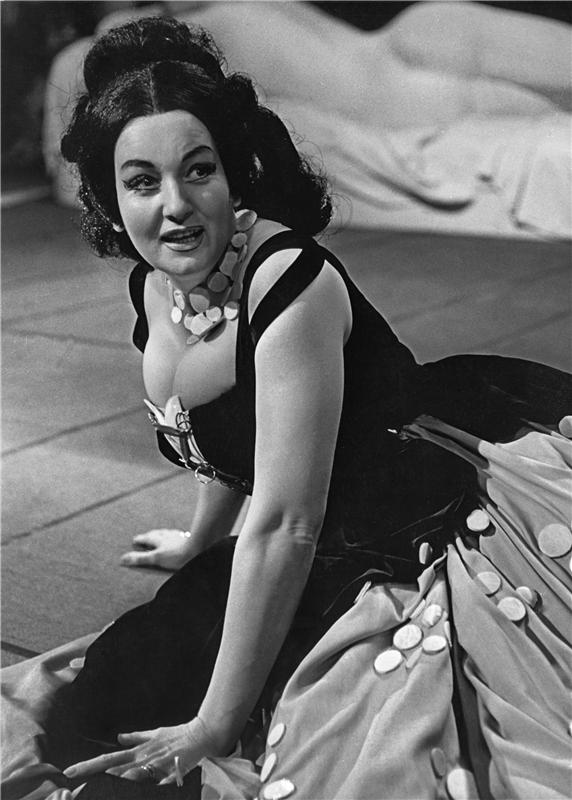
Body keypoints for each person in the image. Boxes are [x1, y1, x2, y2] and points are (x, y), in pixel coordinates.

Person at [36, 15, 570, 800]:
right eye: (143, 182)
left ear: (233, 176)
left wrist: (213, 725)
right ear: (111, 202)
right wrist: (199, 539)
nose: (176, 206)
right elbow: (229, 433)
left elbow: (288, 520)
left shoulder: (290, 281)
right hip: (299, 524)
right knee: (102, 706)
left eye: (199, 170)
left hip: (408, 516)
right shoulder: (156, 284)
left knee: (352, 744)